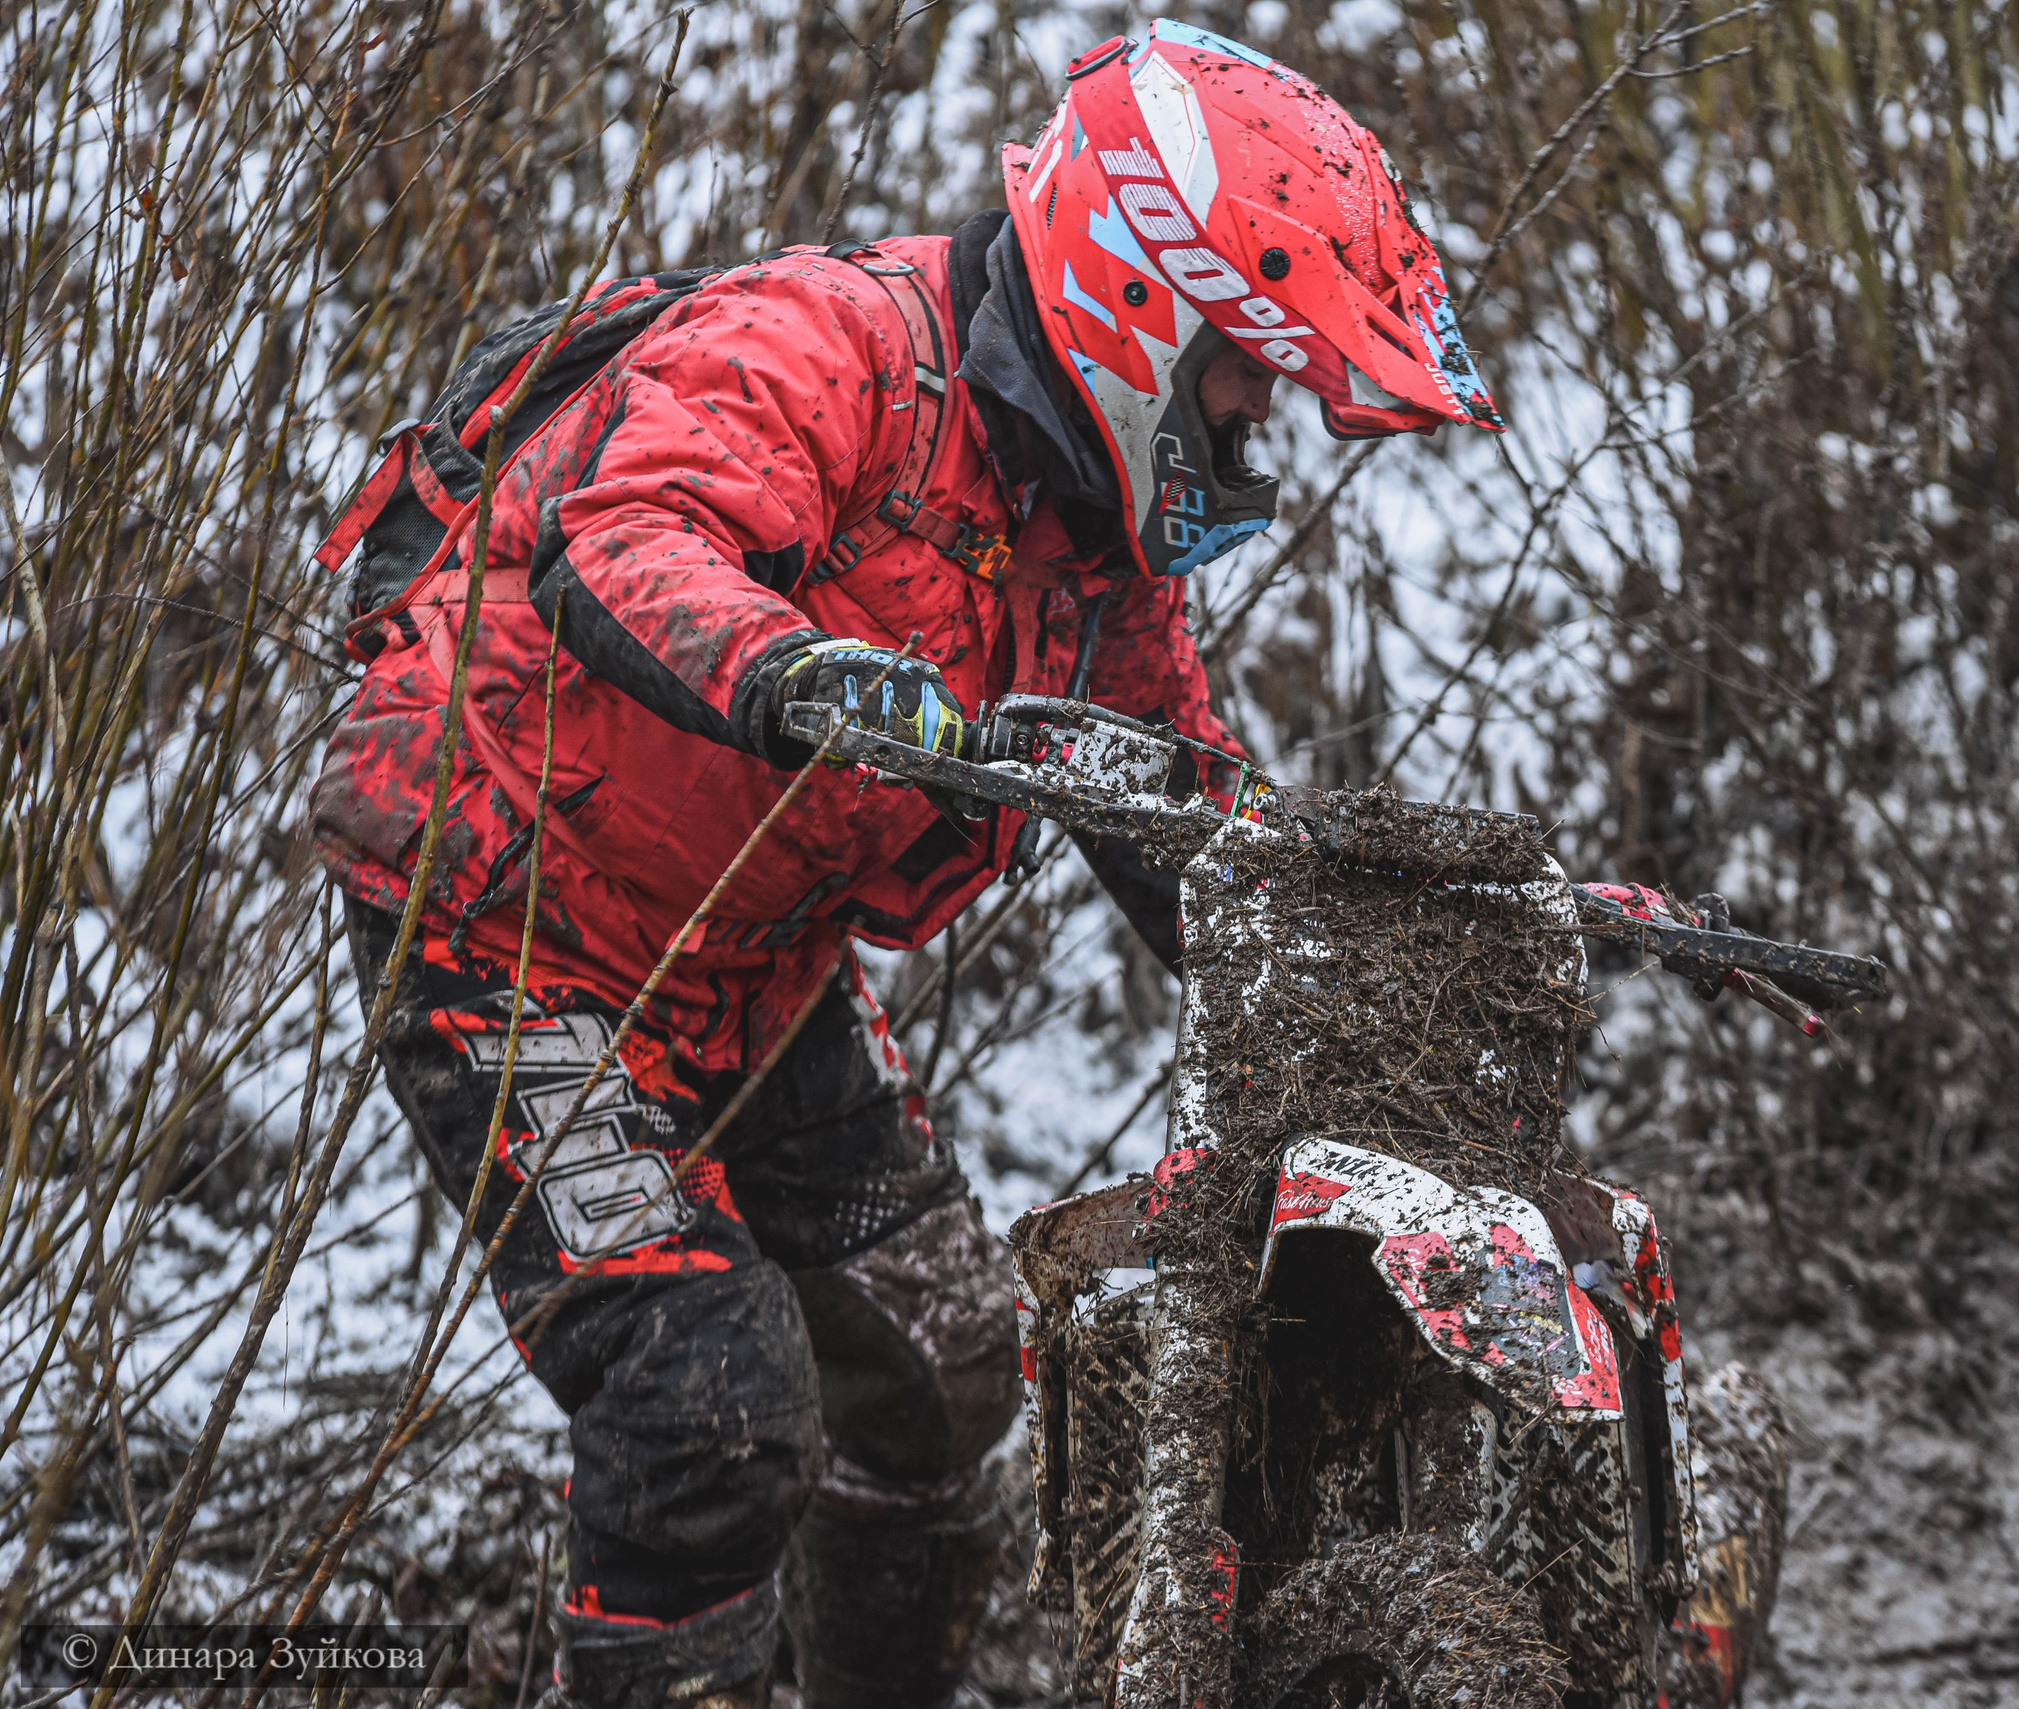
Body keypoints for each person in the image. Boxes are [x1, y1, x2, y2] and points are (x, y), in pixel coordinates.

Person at [310, 21, 1503, 1709]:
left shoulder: (1092, 548)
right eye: (1250, 374)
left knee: (942, 1364)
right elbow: (629, 531)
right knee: (706, 1416)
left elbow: (1171, 801)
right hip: (504, 918)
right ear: (1140, 307)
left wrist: (1365, 945)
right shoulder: (833, 342)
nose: (1258, 421)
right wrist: (799, 666)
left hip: (744, 959)